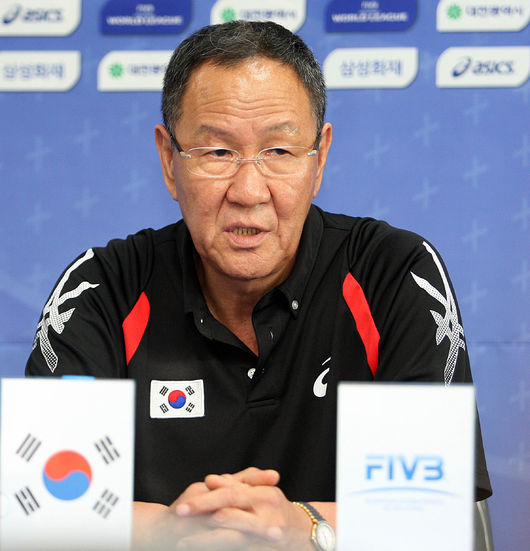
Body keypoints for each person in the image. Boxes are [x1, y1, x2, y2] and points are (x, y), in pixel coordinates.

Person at [26, 20, 491, 550]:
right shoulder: (102, 290)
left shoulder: (393, 273)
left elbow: (434, 512)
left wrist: (300, 527)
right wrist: (173, 530)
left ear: (319, 158)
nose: (249, 191)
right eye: (217, 152)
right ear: (169, 160)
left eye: (279, 152)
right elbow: (45, 505)